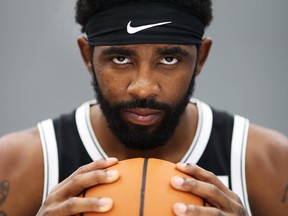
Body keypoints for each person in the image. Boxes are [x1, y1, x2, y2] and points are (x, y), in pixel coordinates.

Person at [0, 0, 287, 215]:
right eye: (121, 59)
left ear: (201, 57)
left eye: (170, 59)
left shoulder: (267, 162)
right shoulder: (18, 164)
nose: (144, 87)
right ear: (87, 56)